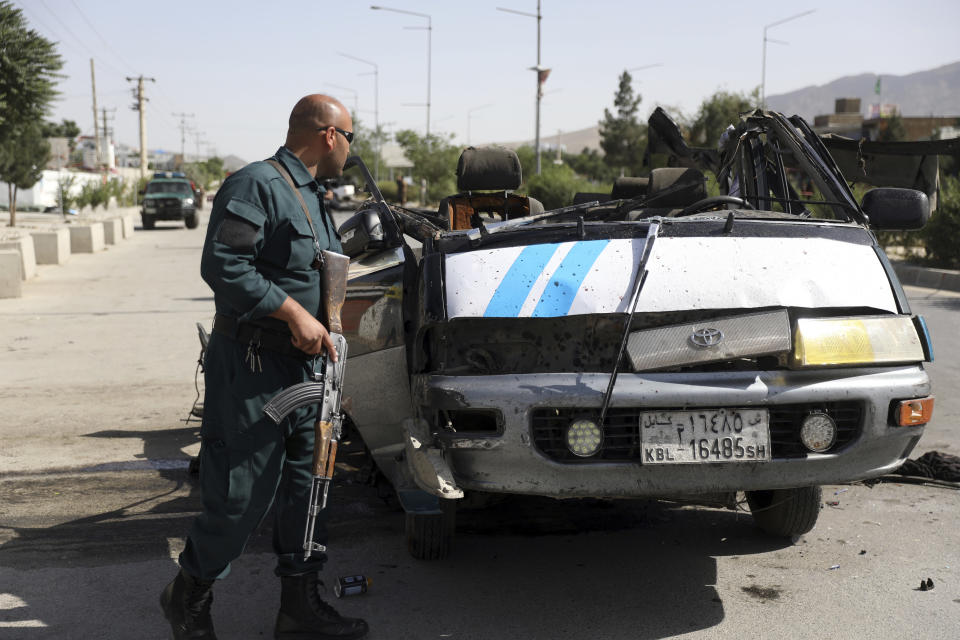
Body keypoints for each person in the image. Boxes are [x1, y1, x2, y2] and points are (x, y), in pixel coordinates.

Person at [161, 94, 368, 640]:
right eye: (351, 136)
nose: (351, 148)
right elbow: (223, 263)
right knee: (239, 496)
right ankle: (187, 596)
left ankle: (299, 608)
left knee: (309, 489)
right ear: (329, 135)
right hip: (255, 368)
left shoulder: (312, 197)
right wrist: (293, 312)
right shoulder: (256, 184)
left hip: (306, 374)